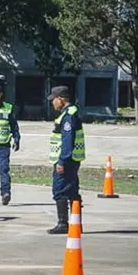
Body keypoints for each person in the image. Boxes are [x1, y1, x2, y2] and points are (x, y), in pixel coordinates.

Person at [46, 85, 86, 234]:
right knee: (72, 191)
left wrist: (62, 161)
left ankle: (63, 223)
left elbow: (68, 140)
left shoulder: (68, 116)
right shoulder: (69, 113)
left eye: (54, 99)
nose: (52, 103)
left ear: (61, 99)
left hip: (66, 161)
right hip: (72, 160)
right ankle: (76, 224)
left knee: (59, 191)